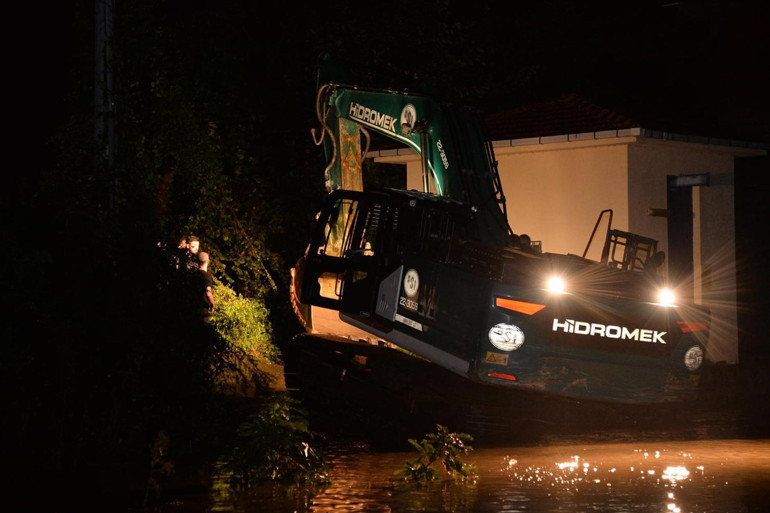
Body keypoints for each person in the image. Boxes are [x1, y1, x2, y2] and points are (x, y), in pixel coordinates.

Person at [196, 251, 215, 323]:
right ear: (207, 261)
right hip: (203, 309)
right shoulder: (206, 276)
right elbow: (208, 292)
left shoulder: (193, 273)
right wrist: (212, 304)